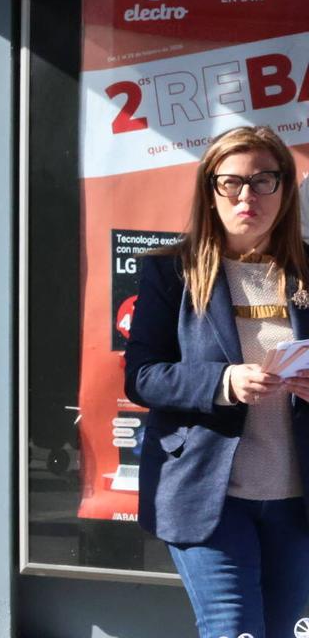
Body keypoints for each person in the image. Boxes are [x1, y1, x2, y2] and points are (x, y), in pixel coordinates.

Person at [126, 125, 309, 638]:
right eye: (231, 182)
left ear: (284, 189)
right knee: (233, 629)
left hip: (296, 502)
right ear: (210, 191)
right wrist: (223, 382)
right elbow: (142, 377)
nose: (247, 196)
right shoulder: (172, 273)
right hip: (208, 497)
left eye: (263, 180)